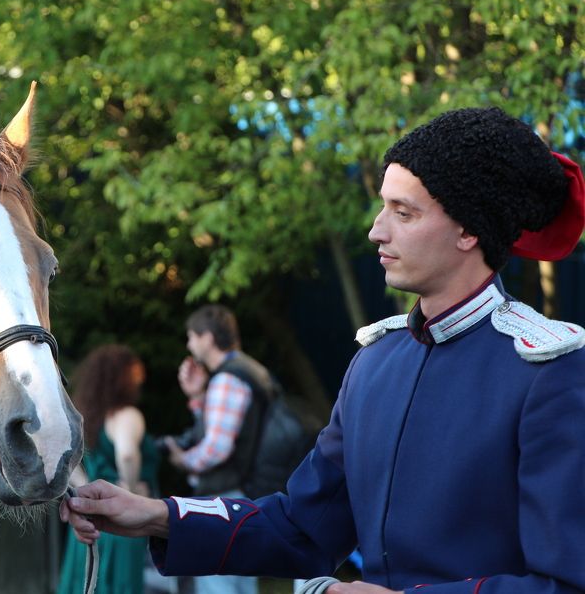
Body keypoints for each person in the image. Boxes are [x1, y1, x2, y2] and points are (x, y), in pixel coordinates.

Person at [61, 107, 585, 593]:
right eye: (383, 206)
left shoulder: (549, 372)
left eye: (403, 213)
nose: (376, 230)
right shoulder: (375, 363)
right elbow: (302, 526)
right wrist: (157, 515)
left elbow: (565, 583)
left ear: (468, 230)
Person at [160, 305, 275, 594]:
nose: (189, 345)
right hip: (247, 494)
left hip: (225, 496)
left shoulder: (228, 379)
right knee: (241, 580)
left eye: (192, 337)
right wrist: (198, 396)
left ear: (208, 338)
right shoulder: (249, 370)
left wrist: (183, 460)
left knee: (218, 581)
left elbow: (218, 447)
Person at [57, 344, 160, 594]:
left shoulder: (83, 418)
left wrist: (85, 490)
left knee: (84, 582)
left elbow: (66, 462)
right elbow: (127, 454)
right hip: (121, 519)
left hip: (89, 516)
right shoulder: (126, 415)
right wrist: (130, 491)